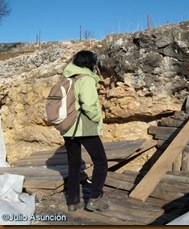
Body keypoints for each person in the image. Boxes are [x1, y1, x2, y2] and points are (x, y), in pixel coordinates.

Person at [60, 50, 109, 212]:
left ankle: (73, 201)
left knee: (74, 164)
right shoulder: (86, 79)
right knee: (101, 162)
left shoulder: (68, 78)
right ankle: (94, 199)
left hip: (68, 128)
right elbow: (88, 104)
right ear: (90, 64)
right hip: (84, 127)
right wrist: (96, 118)